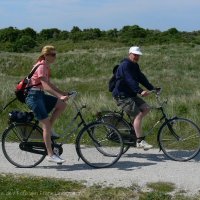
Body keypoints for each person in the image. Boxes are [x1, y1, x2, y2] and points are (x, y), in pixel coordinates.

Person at [25, 45, 69, 163]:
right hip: (33, 97)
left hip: (40, 95)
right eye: (53, 54)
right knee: (46, 126)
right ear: (46, 55)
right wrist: (59, 96)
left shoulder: (45, 66)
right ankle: (50, 155)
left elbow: (49, 85)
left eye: (55, 54)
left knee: (62, 105)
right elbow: (45, 86)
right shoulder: (41, 66)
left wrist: (63, 92)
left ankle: (49, 128)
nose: (55, 57)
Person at [112, 46, 156, 150]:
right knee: (138, 114)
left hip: (130, 95)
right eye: (135, 55)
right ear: (130, 54)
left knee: (146, 108)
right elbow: (129, 80)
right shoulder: (125, 65)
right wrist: (140, 91)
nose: (136, 57)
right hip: (122, 96)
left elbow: (141, 78)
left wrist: (152, 88)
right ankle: (140, 141)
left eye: (138, 55)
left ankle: (134, 130)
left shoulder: (134, 65)